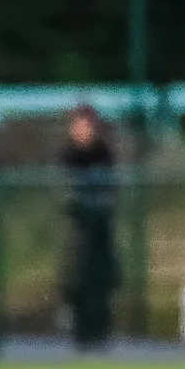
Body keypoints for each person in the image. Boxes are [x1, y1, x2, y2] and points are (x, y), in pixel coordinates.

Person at [59, 104, 120, 350]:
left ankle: (100, 334)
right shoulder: (68, 156)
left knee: (100, 280)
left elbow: (112, 192)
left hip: (100, 229)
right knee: (77, 281)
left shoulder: (104, 154)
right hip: (79, 230)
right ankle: (81, 335)